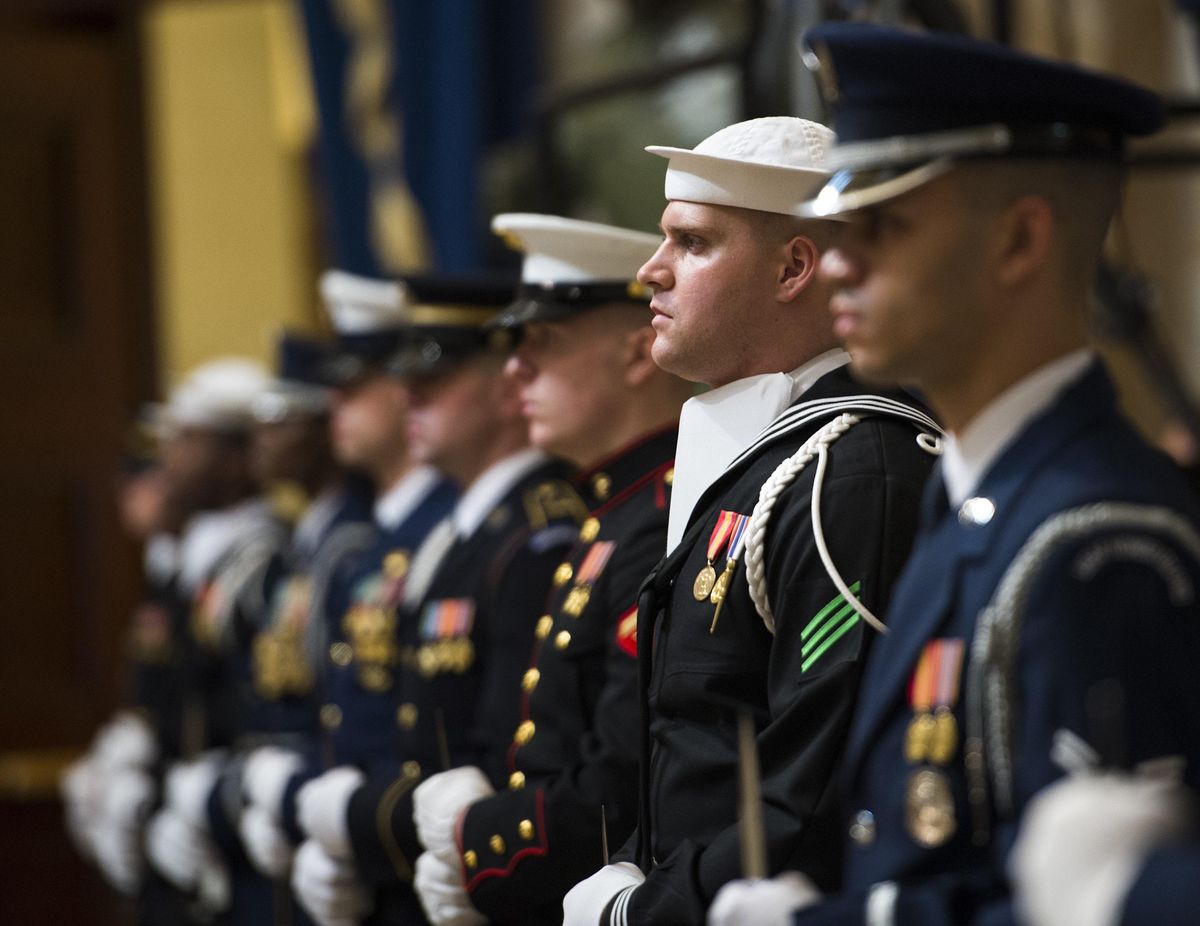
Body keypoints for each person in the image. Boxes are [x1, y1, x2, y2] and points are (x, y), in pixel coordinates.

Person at [708, 23, 1200, 926]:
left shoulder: (1094, 543)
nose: (838, 266)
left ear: (1019, 241)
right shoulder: (975, 493)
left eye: (882, 226)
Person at [564, 116, 939, 926]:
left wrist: (642, 910)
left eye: (692, 243)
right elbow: (697, 746)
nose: (650, 271)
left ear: (794, 267)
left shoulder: (850, 471)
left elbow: (815, 790)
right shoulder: (769, 459)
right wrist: (631, 862)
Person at [410, 214, 691, 925]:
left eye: (545, 343)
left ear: (636, 356)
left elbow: (620, 780)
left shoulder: (658, 518)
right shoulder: (608, 512)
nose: (515, 368)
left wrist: (476, 842)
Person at [289, 274, 585, 926]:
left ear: (507, 386)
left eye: (437, 376)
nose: (409, 395)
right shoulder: (468, 532)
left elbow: (513, 756)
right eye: (405, 378)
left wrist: (363, 818)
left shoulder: (536, 534)